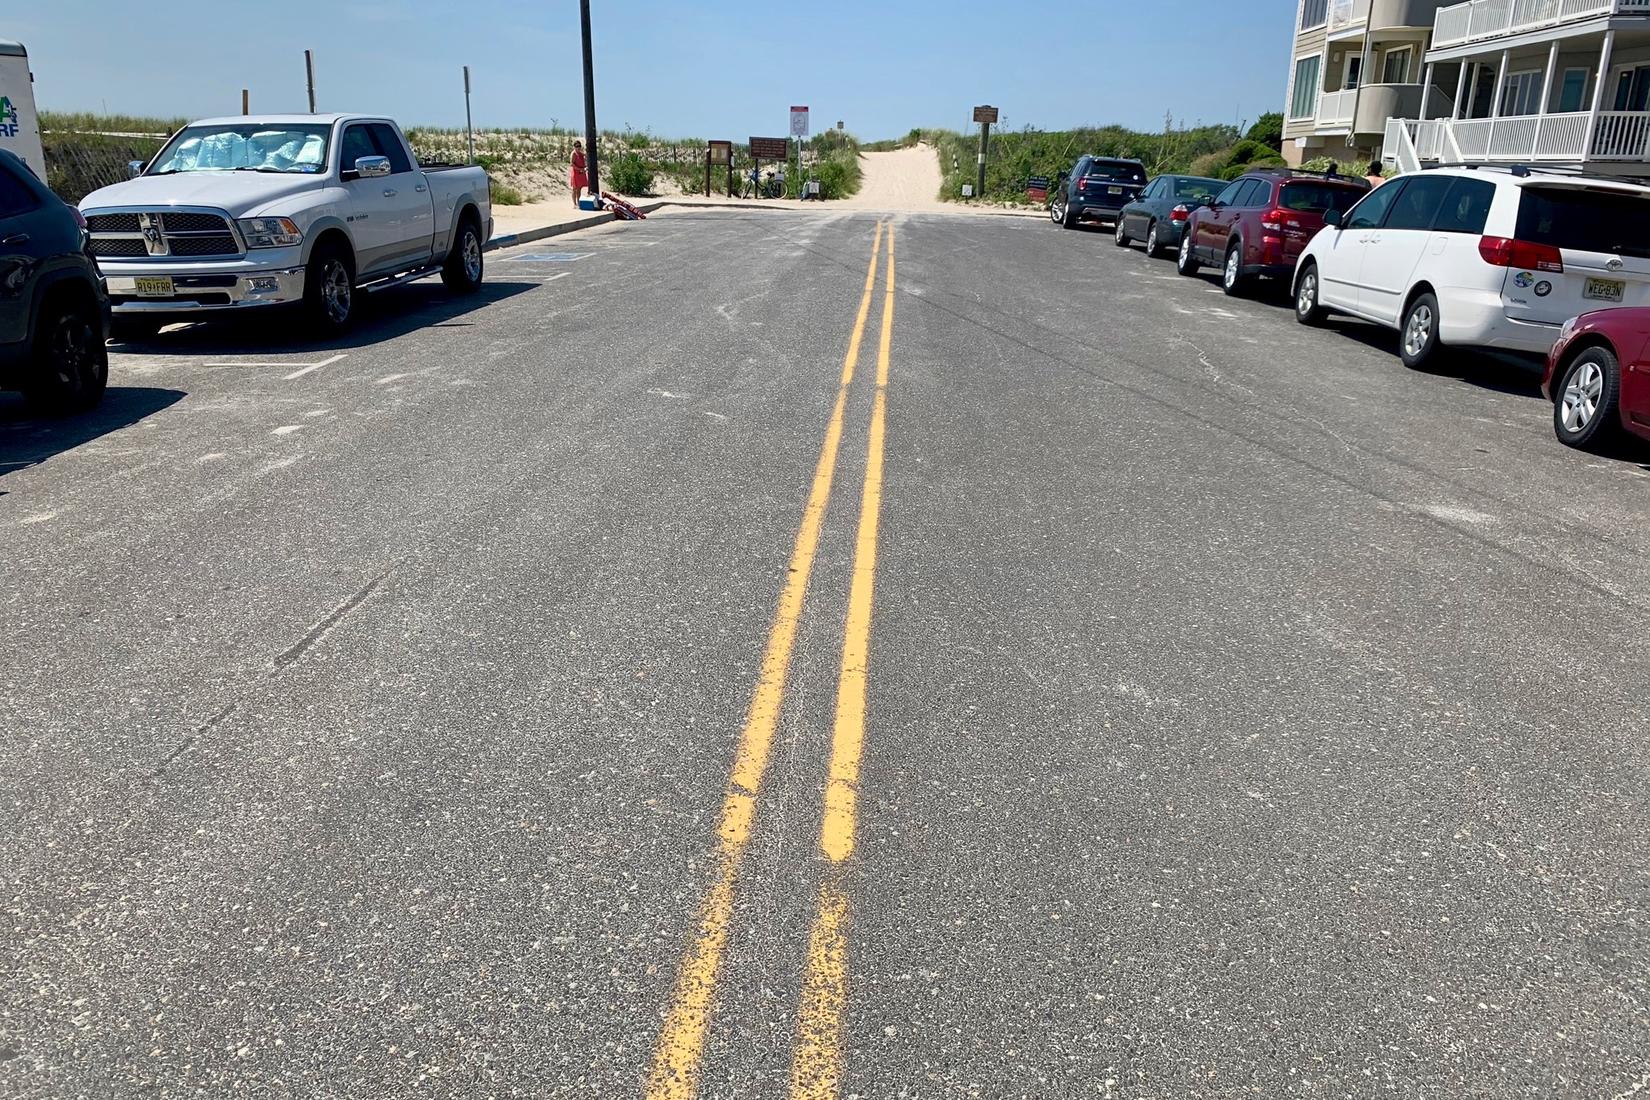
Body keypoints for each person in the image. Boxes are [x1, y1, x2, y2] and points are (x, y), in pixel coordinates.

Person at [570, 140, 587, 208]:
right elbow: (572, 164)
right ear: (574, 147)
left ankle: (579, 203)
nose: (578, 148)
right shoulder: (573, 154)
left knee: (579, 188)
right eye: (577, 146)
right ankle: (574, 203)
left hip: (581, 172)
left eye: (579, 146)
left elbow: (585, 155)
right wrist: (579, 169)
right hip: (576, 172)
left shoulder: (580, 153)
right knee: (574, 188)